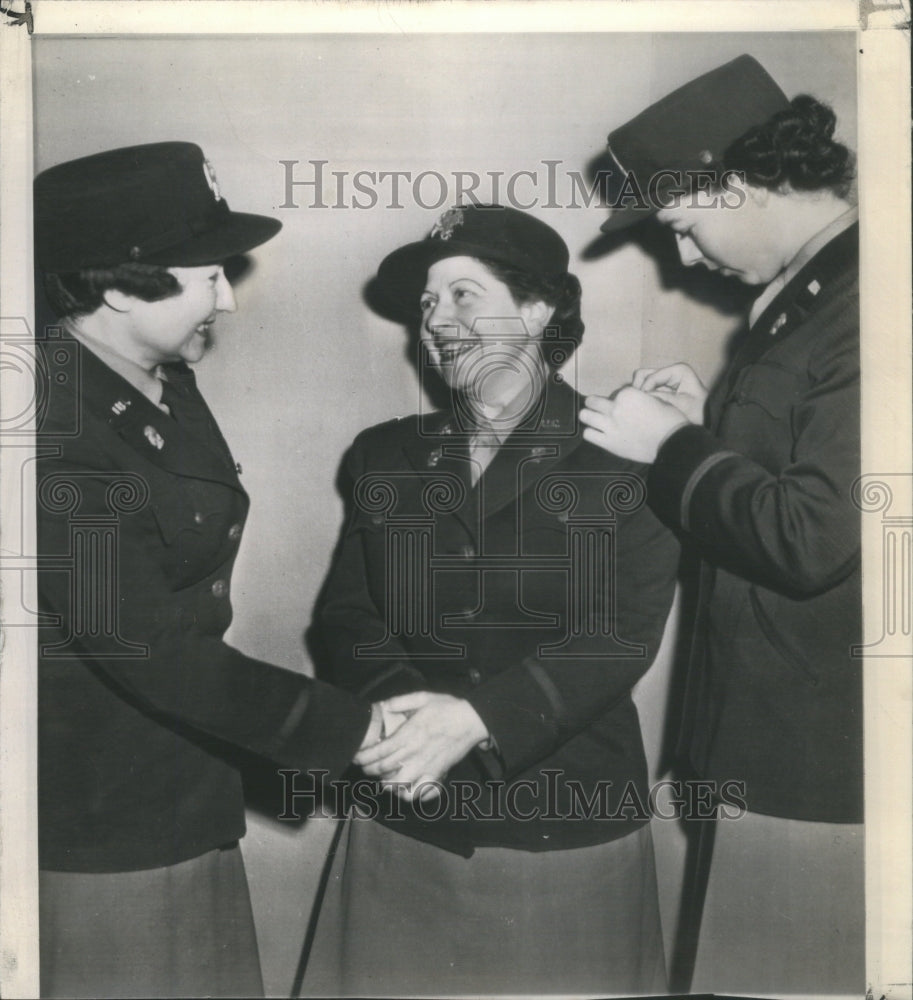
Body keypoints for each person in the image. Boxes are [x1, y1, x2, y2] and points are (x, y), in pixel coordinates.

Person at [33, 142, 385, 999]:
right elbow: (151, 648)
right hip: (103, 817)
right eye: (209, 276)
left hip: (184, 788)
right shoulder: (52, 433)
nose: (229, 295)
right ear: (120, 287)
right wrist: (352, 733)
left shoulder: (154, 377)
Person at [303, 204, 679, 996]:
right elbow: (347, 617)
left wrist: (474, 723)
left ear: (538, 309)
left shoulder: (627, 447)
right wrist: (405, 722)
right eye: (428, 305)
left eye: (464, 295)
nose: (437, 321)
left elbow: (619, 636)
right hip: (406, 809)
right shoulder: (386, 452)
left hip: (560, 822)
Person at [579, 55, 863, 994]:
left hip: (816, 760)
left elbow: (814, 536)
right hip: (770, 739)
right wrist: (706, 427)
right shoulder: (816, 295)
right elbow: (794, 474)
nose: (687, 257)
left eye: (684, 226)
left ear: (736, 185)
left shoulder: (864, 302)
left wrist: (670, 451)